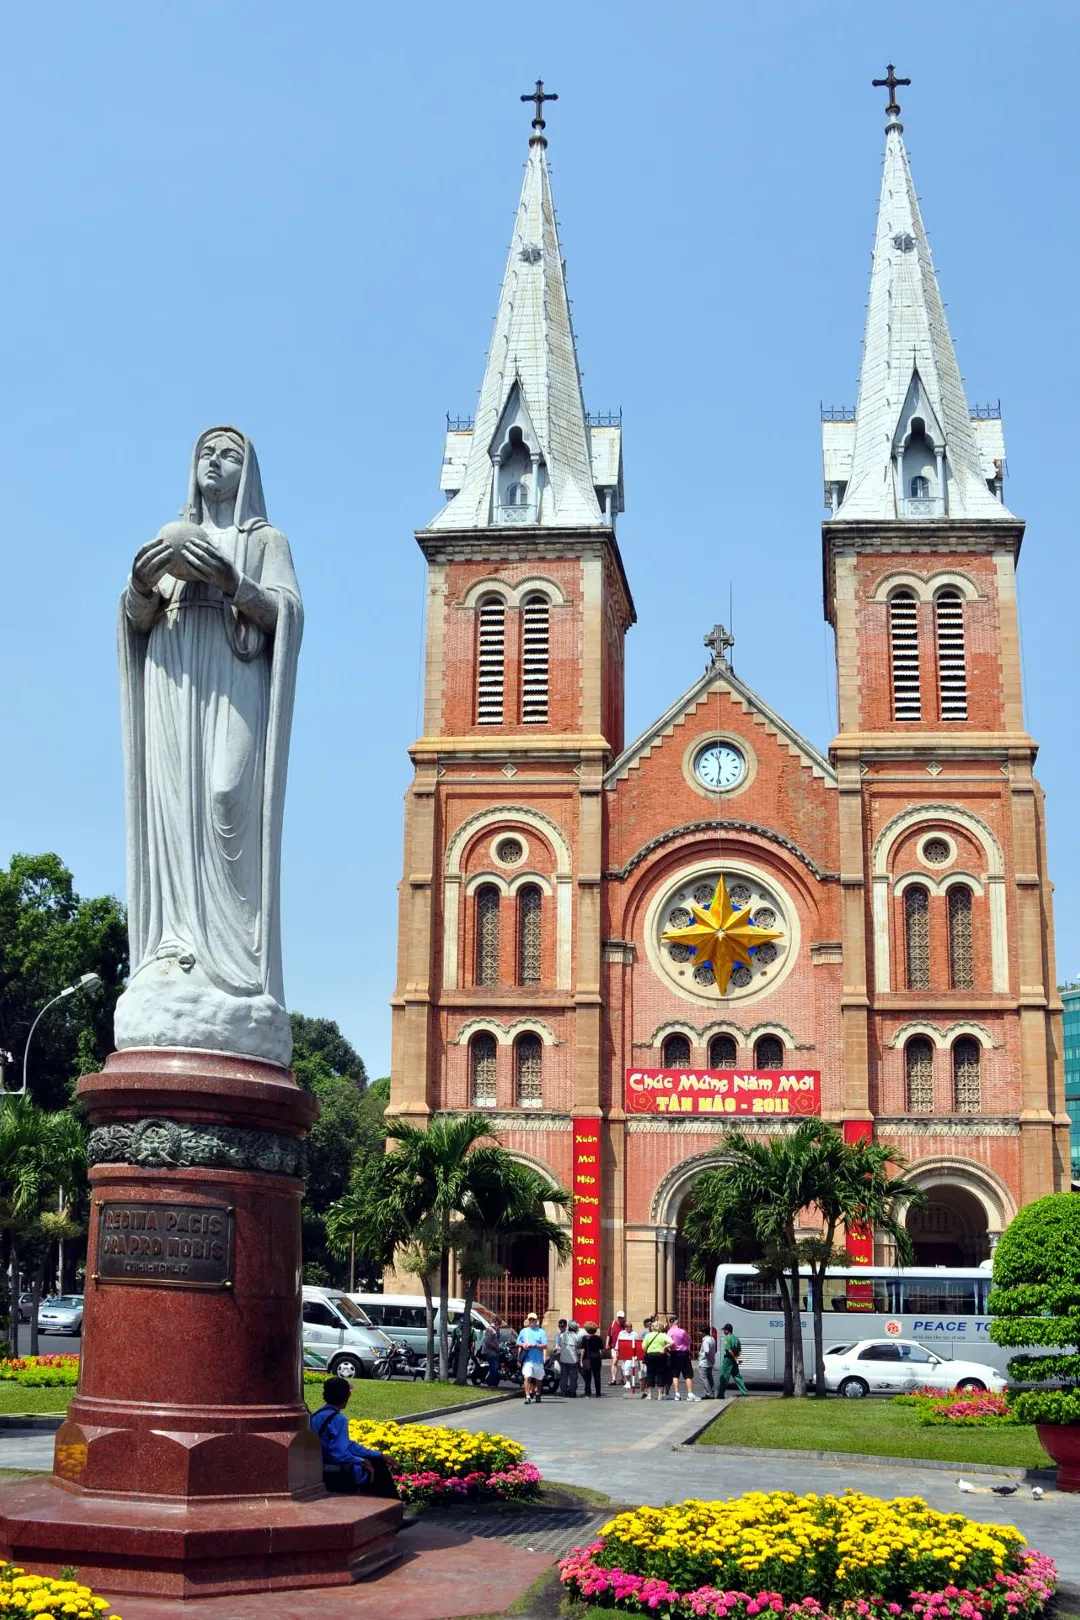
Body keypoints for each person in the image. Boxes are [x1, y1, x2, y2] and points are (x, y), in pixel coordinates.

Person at [116, 426, 303, 1066]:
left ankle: (235, 965)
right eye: (205, 453)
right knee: (176, 808)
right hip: (172, 673)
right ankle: (174, 948)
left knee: (227, 797)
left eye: (229, 455)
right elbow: (135, 619)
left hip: (233, 673)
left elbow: (288, 617)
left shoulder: (264, 542)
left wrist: (236, 585)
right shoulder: (169, 535)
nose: (214, 464)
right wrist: (141, 588)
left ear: (248, 472)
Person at [310, 1376, 397, 1495]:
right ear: (346, 1397)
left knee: (377, 1460)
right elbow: (339, 1454)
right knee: (378, 1470)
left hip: (319, 1465)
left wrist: (379, 1455)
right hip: (333, 1470)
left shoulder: (316, 1415)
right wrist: (362, 1461)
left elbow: (347, 1445)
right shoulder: (338, 1419)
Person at [516, 1312, 548, 1404]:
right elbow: (518, 1342)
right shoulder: (524, 1331)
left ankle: (538, 1393)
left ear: (536, 1321)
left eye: (533, 1319)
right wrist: (523, 1345)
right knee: (527, 1377)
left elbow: (545, 1346)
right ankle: (527, 1396)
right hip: (527, 1359)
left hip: (538, 1359)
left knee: (538, 1379)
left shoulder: (541, 1332)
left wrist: (535, 1345)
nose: (532, 1321)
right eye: (530, 1320)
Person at [666, 1315, 697, 1401]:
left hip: (674, 1354)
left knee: (675, 1375)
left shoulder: (669, 1332)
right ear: (677, 1321)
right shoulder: (682, 1331)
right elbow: (689, 1341)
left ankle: (677, 1393)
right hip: (683, 1354)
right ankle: (690, 1394)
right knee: (688, 1375)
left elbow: (668, 1343)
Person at [641, 1316, 671, 1401]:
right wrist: (664, 1347)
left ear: (652, 1327)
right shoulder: (663, 1335)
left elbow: (643, 1347)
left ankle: (650, 1394)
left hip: (650, 1355)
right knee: (660, 1374)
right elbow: (672, 1342)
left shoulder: (648, 1335)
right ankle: (660, 1394)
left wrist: (648, 1349)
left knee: (650, 1374)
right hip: (661, 1355)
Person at [716, 1322, 749, 1398]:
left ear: (727, 1330)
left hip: (728, 1360)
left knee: (724, 1377)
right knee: (737, 1376)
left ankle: (720, 1395)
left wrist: (734, 1358)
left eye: (724, 1330)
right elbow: (740, 1350)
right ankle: (744, 1392)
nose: (724, 1331)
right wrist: (736, 1358)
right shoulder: (736, 1338)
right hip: (734, 1360)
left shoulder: (727, 1338)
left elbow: (729, 1350)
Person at [579, 1321, 605, 1396]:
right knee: (597, 1376)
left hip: (588, 1358)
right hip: (596, 1358)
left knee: (588, 1377)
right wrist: (600, 1356)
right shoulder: (598, 1338)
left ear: (587, 1329)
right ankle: (598, 1393)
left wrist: (581, 1360)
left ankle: (587, 1393)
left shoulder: (585, 1338)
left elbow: (583, 1350)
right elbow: (601, 1349)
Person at [616, 1319, 641, 1396]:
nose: (629, 1328)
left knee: (627, 1367)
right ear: (625, 1327)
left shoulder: (635, 1334)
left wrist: (637, 1354)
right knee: (623, 1368)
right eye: (627, 1326)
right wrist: (617, 1351)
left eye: (630, 1326)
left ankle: (628, 1382)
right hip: (623, 1353)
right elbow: (618, 1342)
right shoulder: (621, 1333)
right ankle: (626, 1381)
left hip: (631, 1354)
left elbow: (638, 1343)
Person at [558, 1318, 582, 1397]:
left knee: (564, 1376)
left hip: (563, 1359)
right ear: (575, 1328)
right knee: (573, 1377)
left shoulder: (562, 1335)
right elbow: (578, 1348)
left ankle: (563, 1391)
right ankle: (572, 1391)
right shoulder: (576, 1337)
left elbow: (560, 1345)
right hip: (573, 1360)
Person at [480, 1317, 502, 1388]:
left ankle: (494, 1383)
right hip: (490, 1351)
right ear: (496, 1322)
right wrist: (495, 1347)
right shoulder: (490, 1329)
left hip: (496, 1352)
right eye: (499, 1323)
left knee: (495, 1368)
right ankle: (491, 1383)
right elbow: (487, 1341)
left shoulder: (497, 1329)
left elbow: (497, 1339)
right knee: (493, 1367)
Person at [606, 1309, 626, 1386]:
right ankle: (613, 1379)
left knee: (623, 1363)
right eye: (619, 1317)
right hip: (614, 1347)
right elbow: (609, 1335)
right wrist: (607, 1344)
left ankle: (623, 1379)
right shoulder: (613, 1323)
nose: (620, 1319)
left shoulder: (626, 1325)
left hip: (623, 1347)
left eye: (621, 1317)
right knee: (614, 1361)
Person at [698, 1325, 718, 1398]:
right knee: (710, 1378)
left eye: (700, 1332)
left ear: (703, 1333)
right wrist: (712, 1360)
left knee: (704, 1379)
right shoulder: (712, 1339)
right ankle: (711, 1392)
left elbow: (706, 1351)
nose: (699, 1333)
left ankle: (708, 1394)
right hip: (709, 1363)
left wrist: (710, 1359)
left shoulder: (705, 1340)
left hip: (704, 1362)